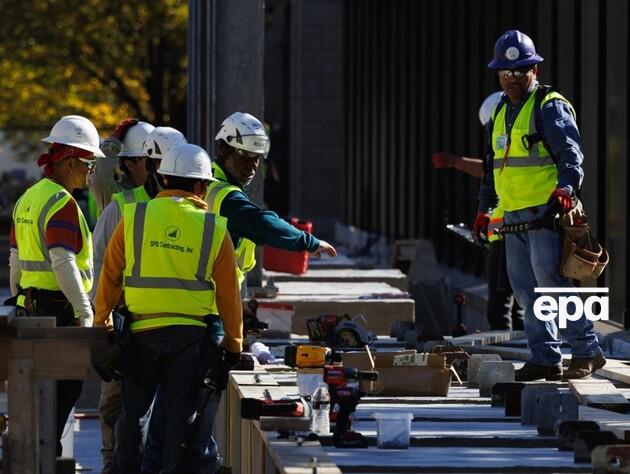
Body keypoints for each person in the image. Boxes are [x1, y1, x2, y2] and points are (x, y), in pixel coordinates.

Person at [95, 143, 243, 473]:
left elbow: (110, 274)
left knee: (133, 413)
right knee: (181, 415)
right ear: (203, 185)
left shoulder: (135, 217)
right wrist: (233, 344)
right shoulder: (214, 228)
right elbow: (229, 296)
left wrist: (100, 322)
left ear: (162, 179)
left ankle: (127, 469)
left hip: (140, 332)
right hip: (190, 337)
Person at [476, 30, 605, 380]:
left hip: (546, 213)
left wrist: (567, 186)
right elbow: (493, 166)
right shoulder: (502, 110)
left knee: (551, 284)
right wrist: (485, 208)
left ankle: (586, 350)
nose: (512, 79)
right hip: (515, 215)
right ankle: (545, 356)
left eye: (519, 72)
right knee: (524, 290)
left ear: (534, 70)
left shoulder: (549, 106)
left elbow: (570, 153)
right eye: (506, 72)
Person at [92, 126, 186, 474]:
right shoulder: (122, 205)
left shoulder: (185, 207)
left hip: (168, 325)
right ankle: (112, 464)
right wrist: (103, 317)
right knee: (117, 403)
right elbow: (100, 262)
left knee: (163, 407)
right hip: (127, 321)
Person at [9, 115, 102, 455]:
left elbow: (15, 262)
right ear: (68, 161)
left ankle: (33, 457)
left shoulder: (29, 198)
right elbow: (62, 262)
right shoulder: (62, 204)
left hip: (30, 311)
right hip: (59, 314)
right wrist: (84, 312)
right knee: (61, 398)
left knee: (34, 400)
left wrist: (20, 297)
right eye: (88, 162)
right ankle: (44, 457)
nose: (92, 169)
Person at [432, 92, 524, 331]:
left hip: (511, 228)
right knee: (517, 297)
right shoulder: (519, 140)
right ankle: (522, 343)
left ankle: (509, 345)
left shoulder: (510, 139)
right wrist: (455, 162)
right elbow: (491, 171)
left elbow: (491, 171)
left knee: (502, 298)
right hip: (518, 226)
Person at [89, 118, 155, 213]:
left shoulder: (162, 190)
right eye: (150, 160)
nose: (157, 166)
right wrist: (111, 143)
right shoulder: (116, 195)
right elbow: (100, 181)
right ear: (130, 164)